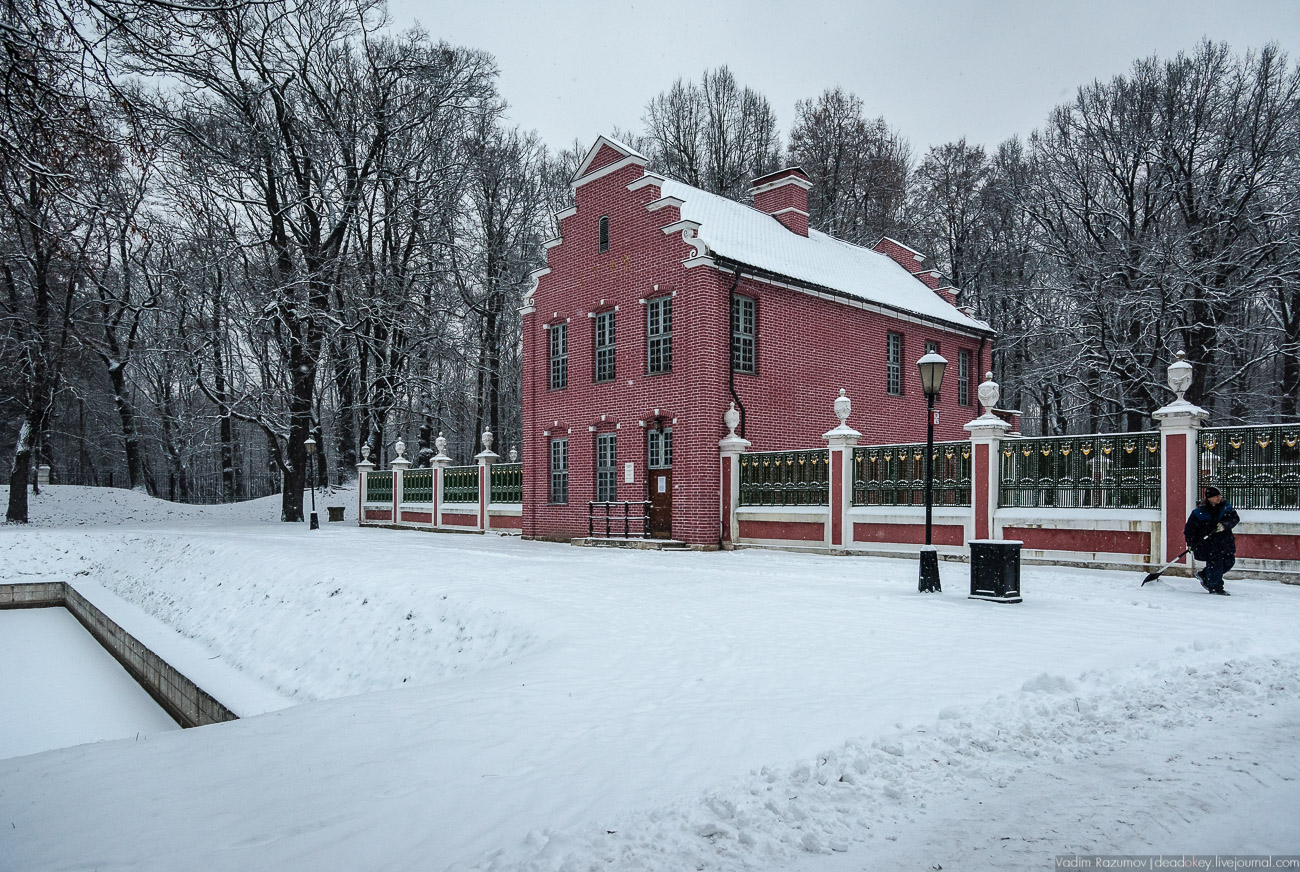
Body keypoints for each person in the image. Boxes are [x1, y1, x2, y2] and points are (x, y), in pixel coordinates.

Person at [1184, 486, 1240, 595]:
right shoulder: (1199, 513)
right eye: (1216, 496)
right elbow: (1190, 529)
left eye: (1220, 495)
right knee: (1216, 564)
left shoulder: (1226, 508)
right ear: (1209, 498)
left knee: (1229, 562)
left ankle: (1205, 575)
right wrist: (1190, 543)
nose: (1219, 498)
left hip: (1225, 541)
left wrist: (1224, 525)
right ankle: (1215, 587)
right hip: (1209, 544)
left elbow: (1235, 519)